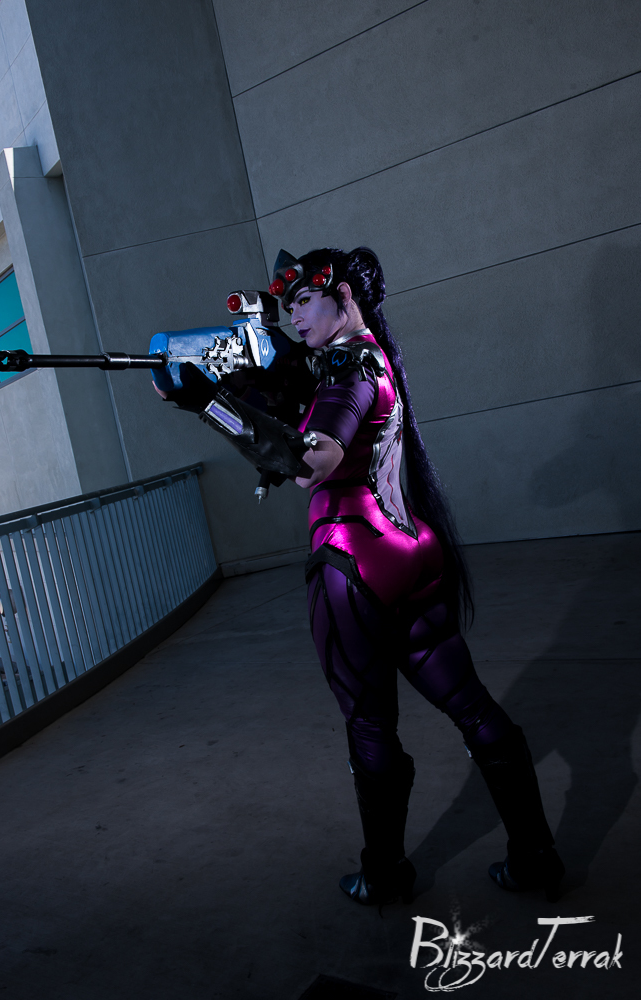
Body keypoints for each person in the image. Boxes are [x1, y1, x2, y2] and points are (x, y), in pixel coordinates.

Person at [155, 246, 565, 906]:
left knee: (371, 727)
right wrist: (223, 386)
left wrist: (210, 403)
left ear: (342, 295)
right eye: (286, 308)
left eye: (304, 302)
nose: (295, 317)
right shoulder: (367, 357)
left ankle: (384, 874)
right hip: (413, 550)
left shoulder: (348, 369)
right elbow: (295, 397)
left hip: (353, 561)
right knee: (473, 707)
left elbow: (310, 461)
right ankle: (536, 856)